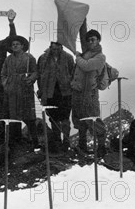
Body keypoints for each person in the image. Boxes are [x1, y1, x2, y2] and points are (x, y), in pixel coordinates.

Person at [70, 29, 107, 157]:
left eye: (93, 39)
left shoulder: (100, 56)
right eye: (89, 39)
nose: (91, 41)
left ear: (98, 41)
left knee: (93, 119)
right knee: (80, 120)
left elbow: (86, 66)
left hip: (90, 93)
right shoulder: (86, 54)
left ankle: (101, 148)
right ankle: (82, 147)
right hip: (78, 92)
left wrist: (78, 57)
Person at [1, 36, 38, 149]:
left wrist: (30, 79)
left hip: (25, 90)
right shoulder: (8, 59)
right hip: (12, 91)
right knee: (13, 116)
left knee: (29, 116)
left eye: (17, 44)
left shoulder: (29, 58)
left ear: (23, 46)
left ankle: (35, 142)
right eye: (13, 44)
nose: (15, 46)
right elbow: (3, 74)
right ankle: (15, 142)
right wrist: (6, 85)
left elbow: (35, 72)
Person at [37, 41, 75, 153]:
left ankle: (66, 141)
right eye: (53, 48)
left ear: (61, 47)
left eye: (58, 48)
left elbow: (72, 73)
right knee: (53, 118)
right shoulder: (43, 58)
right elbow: (40, 75)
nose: (56, 50)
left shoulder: (68, 57)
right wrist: (41, 90)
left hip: (65, 92)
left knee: (65, 118)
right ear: (50, 47)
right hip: (50, 92)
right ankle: (57, 141)